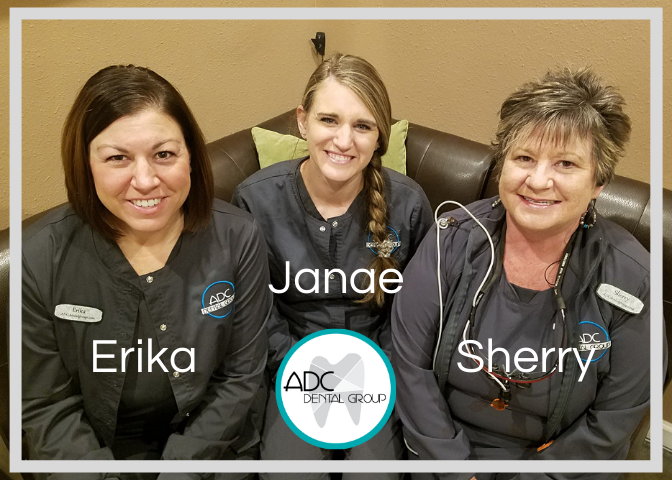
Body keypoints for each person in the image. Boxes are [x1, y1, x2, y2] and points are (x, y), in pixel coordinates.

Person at [391, 67, 663, 479]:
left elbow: (613, 422)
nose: (538, 180)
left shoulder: (631, 277)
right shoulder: (452, 238)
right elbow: (410, 367)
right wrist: (456, 471)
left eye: (566, 163)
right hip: (437, 451)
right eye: (523, 158)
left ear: (598, 183)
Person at [22, 65, 271, 480]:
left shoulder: (238, 237)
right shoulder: (42, 256)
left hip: (213, 452)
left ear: (191, 156)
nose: (145, 180)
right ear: (85, 163)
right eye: (118, 158)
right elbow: (45, 405)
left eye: (164, 154)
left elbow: (241, 376)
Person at [232, 53, 433, 479]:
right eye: (329, 120)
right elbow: (255, 313)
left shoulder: (410, 203)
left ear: (380, 136)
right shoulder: (255, 201)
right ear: (302, 121)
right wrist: (301, 370)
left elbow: (417, 314)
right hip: (291, 366)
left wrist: (377, 372)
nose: (344, 141)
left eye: (362, 125)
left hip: (380, 367)